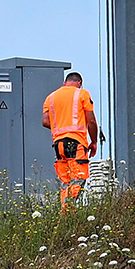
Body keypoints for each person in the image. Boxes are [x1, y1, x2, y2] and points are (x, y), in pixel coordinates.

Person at [41, 70, 98, 209]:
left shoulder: (51, 97)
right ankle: (69, 211)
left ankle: (64, 210)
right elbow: (91, 120)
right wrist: (94, 141)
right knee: (78, 178)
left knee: (65, 181)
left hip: (59, 144)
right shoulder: (82, 94)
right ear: (79, 83)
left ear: (64, 83)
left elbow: (45, 121)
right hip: (76, 142)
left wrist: (60, 125)